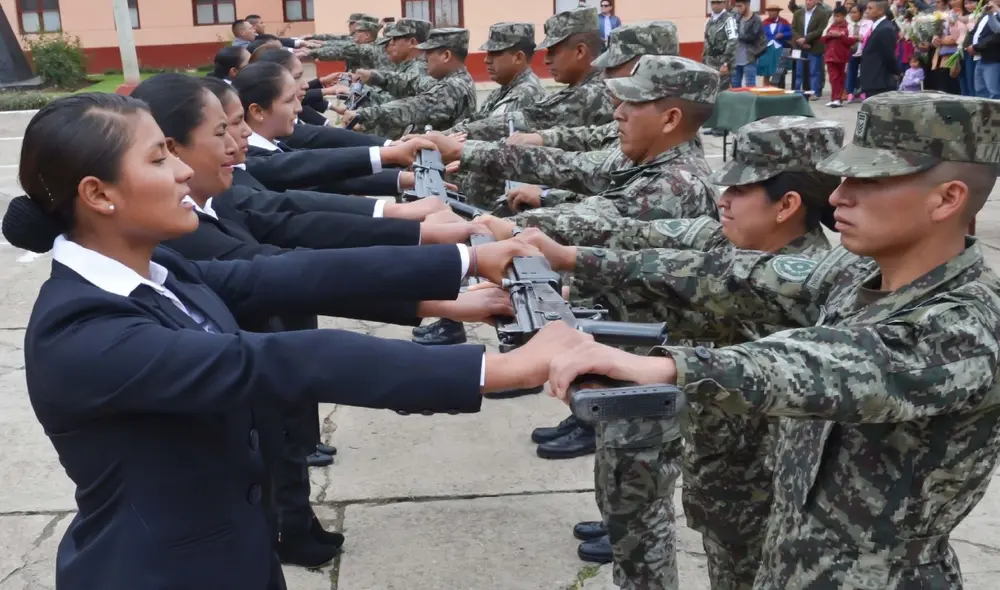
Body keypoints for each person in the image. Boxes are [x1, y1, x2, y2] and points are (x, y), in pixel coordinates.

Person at [4, 92, 592, 590]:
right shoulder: (82, 332)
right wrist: (507, 369)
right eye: (159, 159)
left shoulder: (161, 271)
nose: (183, 170)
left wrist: (463, 259)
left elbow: (288, 273)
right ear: (99, 195)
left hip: (236, 549)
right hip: (160, 572)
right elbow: (276, 360)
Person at [538, 91, 1000, 590]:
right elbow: (730, 273)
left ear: (948, 198)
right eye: (843, 178)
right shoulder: (857, 274)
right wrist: (571, 260)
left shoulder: (972, 322)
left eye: (868, 180)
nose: (840, 196)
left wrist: (671, 368)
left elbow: (839, 365)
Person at [505, 115, 844, 590]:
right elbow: (637, 233)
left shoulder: (806, 276)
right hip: (721, 465)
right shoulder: (727, 238)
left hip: (769, 485)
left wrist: (573, 258)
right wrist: (526, 230)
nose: (721, 200)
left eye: (739, 191)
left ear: (787, 205)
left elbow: (699, 276)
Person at [412, 21, 679, 351]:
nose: (616, 98)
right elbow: (578, 157)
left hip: (641, 341)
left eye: (622, 76)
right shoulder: (639, 138)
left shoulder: (675, 180)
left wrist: (512, 227)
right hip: (609, 304)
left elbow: (605, 216)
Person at [449, 8, 613, 142]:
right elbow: (480, 119)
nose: (546, 60)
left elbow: (523, 121)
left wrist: (448, 138)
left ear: (579, 51)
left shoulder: (591, 93)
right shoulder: (580, 88)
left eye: (553, 52)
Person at [342, 28, 477, 139]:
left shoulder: (453, 86)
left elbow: (413, 108)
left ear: (446, 56)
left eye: (429, 53)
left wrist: (363, 115)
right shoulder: (452, 79)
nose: (425, 57)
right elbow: (412, 83)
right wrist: (374, 76)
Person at [703, 0, 737, 135]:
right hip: (710, 61)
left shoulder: (728, 20)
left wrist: (725, 63)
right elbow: (706, 41)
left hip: (722, 62)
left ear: (724, 4)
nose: (715, 5)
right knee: (712, 95)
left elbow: (733, 41)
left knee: (722, 95)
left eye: (719, 2)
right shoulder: (711, 20)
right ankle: (715, 124)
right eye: (713, 3)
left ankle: (723, 127)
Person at [792, 0, 831, 99]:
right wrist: (800, 40)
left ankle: (814, 92)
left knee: (814, 71)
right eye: (807, 0)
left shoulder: (822, 13)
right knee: (798, 71)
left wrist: (806, 39)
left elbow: (820, 30)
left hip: (814, 46)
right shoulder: (798, 13)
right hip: (799, 46)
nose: (808, 2)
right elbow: (793, 28)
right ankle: (797, 91)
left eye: (811, 0)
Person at [861, 0, 900, 97]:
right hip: (872, 79)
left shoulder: (885, 29)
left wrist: (895, 72)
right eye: (867, 8)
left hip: (880, 81)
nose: (867, 11)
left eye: (870, 8)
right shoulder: (876, 26)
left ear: (881, 10)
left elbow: (888, 55)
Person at [821, 5, 858, 106]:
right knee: (833, 78)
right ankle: (834, 98)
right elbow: (822, 39)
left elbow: (852, 40)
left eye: (838, 16)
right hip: (830, 56)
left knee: (840, 77)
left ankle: (838, 99)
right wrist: (829, 35)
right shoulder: (830, 26)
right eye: (835, 16)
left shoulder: (849, 26)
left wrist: (841, 35)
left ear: (844, 16)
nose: (836, 18)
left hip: (842, 56)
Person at [733, 0, 767, 87]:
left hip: (749, 58)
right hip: (736, 58)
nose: (738, 9)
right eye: (736, 6)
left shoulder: (756, 19)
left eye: (740, 6)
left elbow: (752, 37)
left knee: (750, 85)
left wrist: (735, 35)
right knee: (735, 85)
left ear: (747, 5)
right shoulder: (736, 18)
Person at [760, 4, 793, 86]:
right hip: (767, 48)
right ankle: (766, 86)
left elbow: (791, 33)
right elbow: (759, 35)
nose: (771, 13)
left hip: (780, 48)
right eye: (770, 11)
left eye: (773, 11)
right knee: (766, 68)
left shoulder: (784, 22)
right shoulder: (764, 23)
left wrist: (783, 34)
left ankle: (779, 87)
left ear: (778, 12)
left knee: (780, 69)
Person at [845, 3, 872, 101]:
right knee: (851, 71)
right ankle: (850, 92)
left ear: (861, 13)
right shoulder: (847, 22)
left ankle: (863, 91)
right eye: (851, 12)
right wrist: (855, 38)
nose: (853, 14)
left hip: (864, 51)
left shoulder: (867, 23)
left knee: (864, 72)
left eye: (855, 12)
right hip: (851, 50)